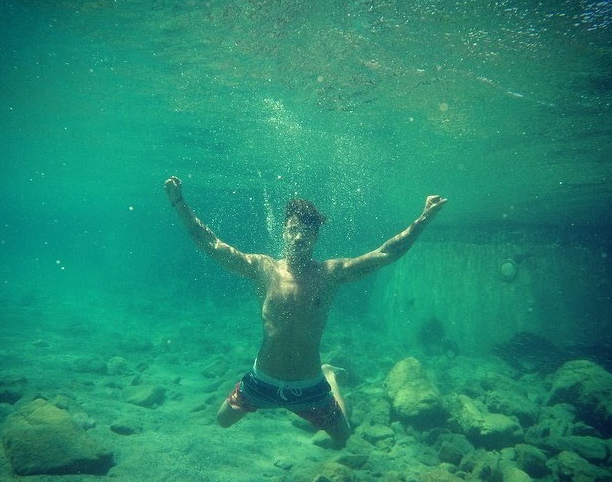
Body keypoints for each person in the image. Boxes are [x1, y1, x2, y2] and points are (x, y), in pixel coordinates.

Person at [165, 176, 446, 446]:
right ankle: (325, 377)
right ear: (283, 232)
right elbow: (211, 244)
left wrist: (423, 220)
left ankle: (329, 376)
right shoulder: (263, 269)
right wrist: (178, 202)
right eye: (292, 230)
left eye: (307, 232)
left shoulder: (330, 274)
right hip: (262, 379)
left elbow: (385, 254)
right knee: (222, 420)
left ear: (315, 237)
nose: (299, 238)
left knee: (343, 436)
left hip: (309, 384)